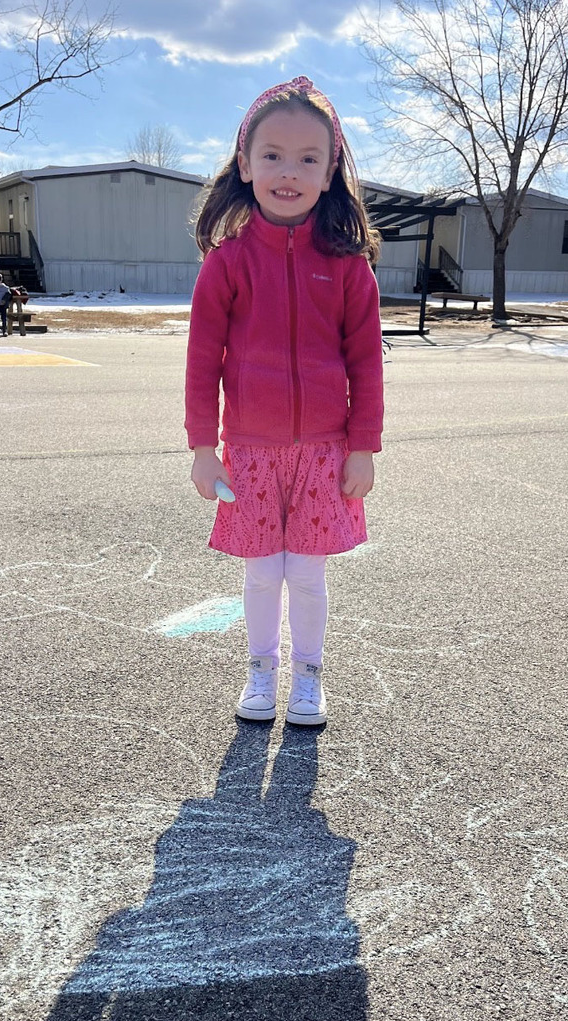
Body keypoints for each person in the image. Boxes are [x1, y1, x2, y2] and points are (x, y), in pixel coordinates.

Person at [185, 76, 384, 726]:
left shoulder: (349, 267)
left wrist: (363, 448)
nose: (288, 172)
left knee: (307, 575)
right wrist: (201, 448)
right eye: (272, 155)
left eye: (308, 158)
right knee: (262, 574)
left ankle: (309, 678)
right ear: (245, 164)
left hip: (325, 454)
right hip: (249, 453)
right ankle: (261, 670)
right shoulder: (228, 262)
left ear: (331, 171)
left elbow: (365, 363)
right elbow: (202, 361)